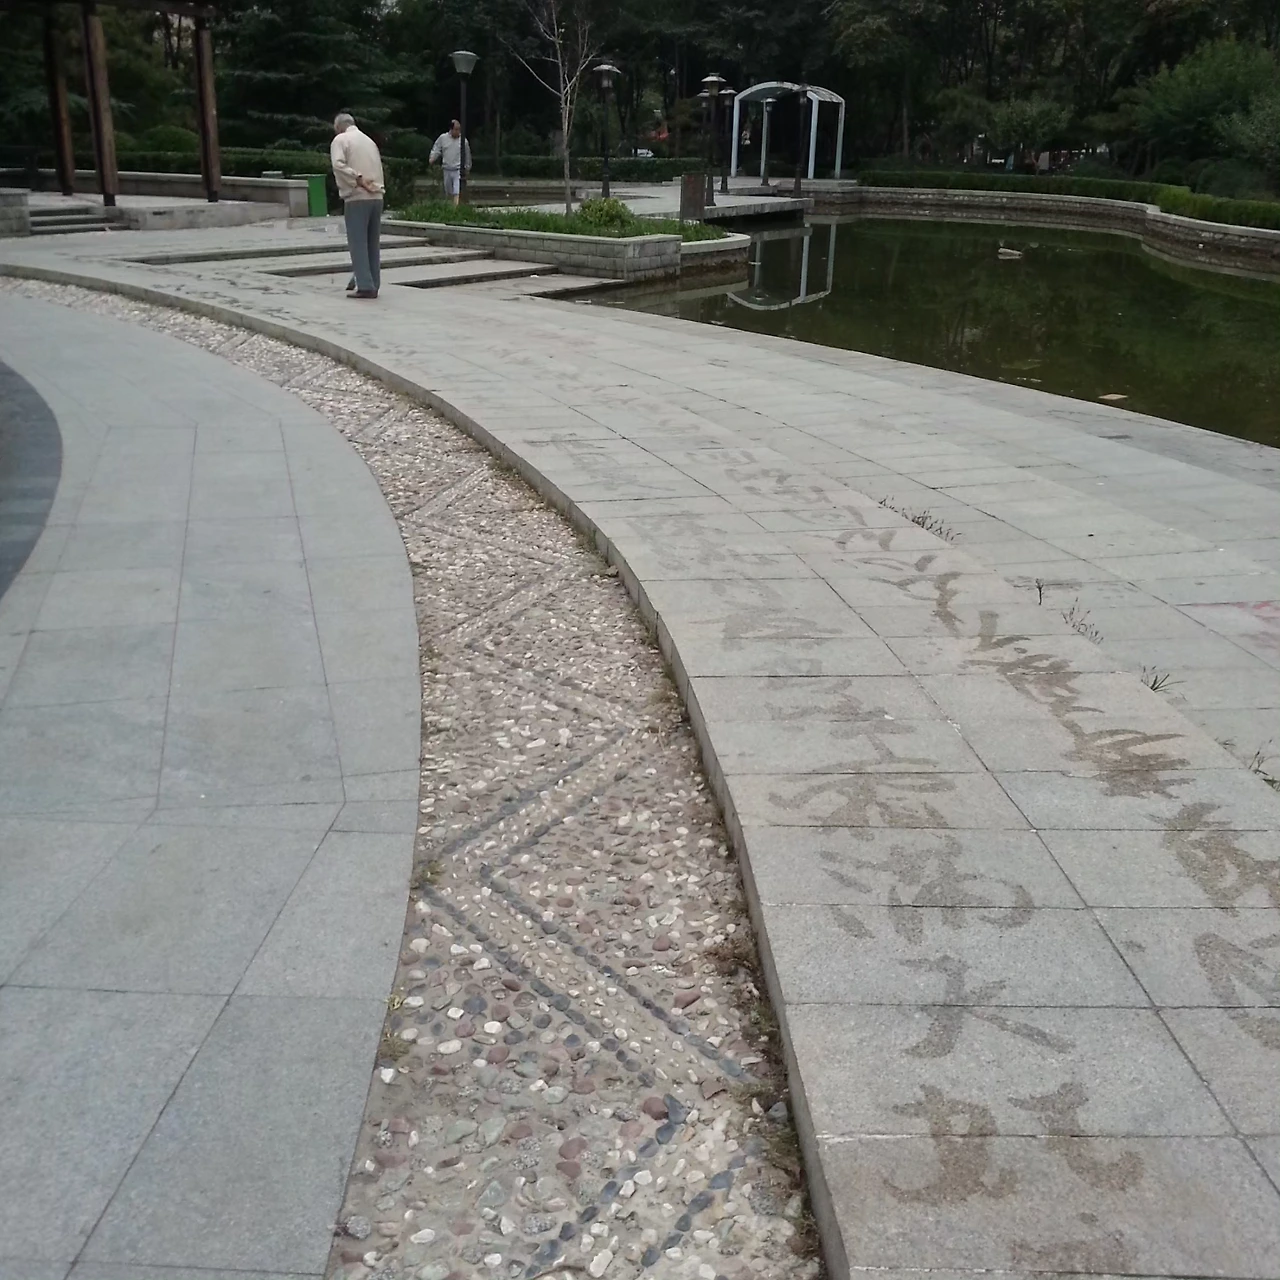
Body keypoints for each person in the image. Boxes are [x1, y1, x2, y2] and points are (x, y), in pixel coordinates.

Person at [330, 112, 385, 299]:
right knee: (372, 244)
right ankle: (373, 282)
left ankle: (365, 285)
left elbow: (338, 165)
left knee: (358, 243)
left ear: (338, 127)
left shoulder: (341, 140)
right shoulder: (369, 141)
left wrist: (356, 178)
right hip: (377, 196)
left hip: (357, 196)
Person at [429, 120, 472, 206]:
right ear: (451, 129)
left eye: (459, 129)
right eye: (456, 129)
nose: (458, 131)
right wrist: (433, 157)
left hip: (458, 169)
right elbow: (437, 148)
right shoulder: (443, 138)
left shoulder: (463, 141)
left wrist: (467, 167)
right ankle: (450, 206)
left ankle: (455, 207)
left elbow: (467, 155)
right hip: (447, 168)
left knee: (456, 191)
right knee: (448, 191)